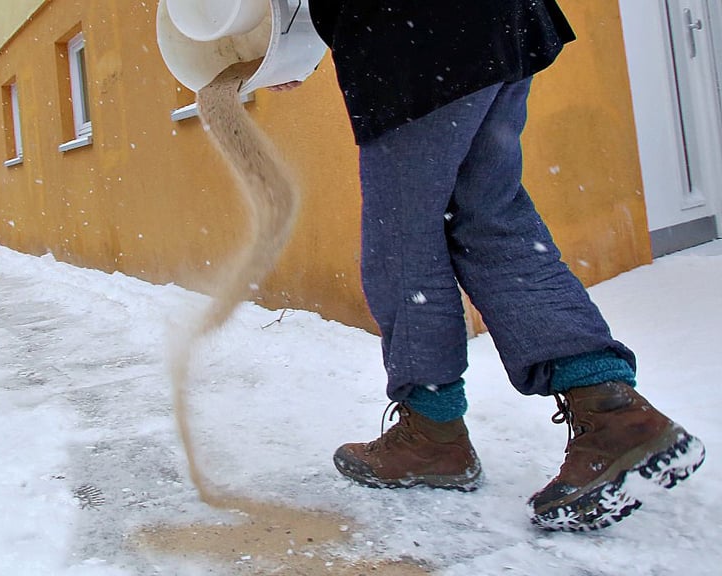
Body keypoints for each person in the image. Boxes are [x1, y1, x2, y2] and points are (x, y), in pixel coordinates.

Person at [288, 0, 706, 531]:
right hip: (497, 23)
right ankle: (609, 407)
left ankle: (433, 432)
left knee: (403, 243)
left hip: (416, 40)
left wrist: (282, 51)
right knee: (490, 220)